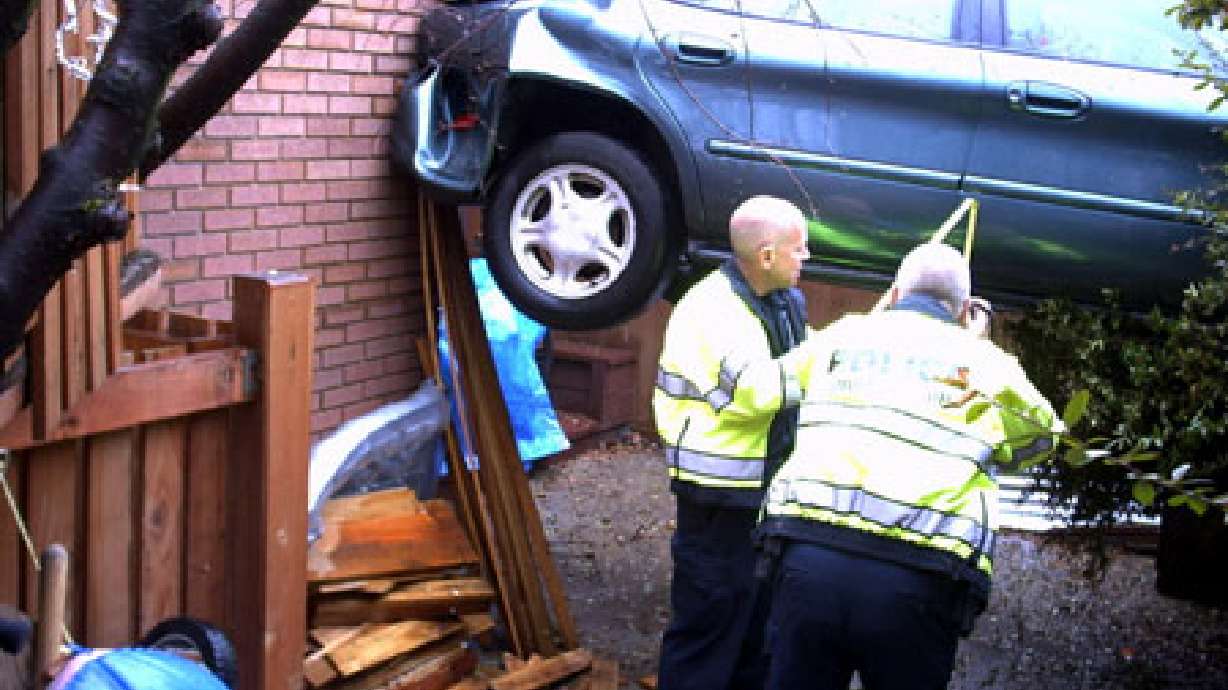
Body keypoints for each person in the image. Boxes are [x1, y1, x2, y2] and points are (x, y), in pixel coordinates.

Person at [756, 242, 1062, 690]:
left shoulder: (843, 336)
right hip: (919, 577)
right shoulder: (986, 364)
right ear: (965, 311)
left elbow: (775, 385)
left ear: (896, 292)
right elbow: (1043, 436)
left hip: (808, 558)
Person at [653, 195, 812, 690]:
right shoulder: (713, 310)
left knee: (758, 629)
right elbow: (756, 392)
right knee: (709, 624)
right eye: (798, 248)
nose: (806, 257)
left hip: (765, 492)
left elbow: (801, 356)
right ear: (766, 256)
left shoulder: (783, 301)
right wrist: (834, 353)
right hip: (718, 496)